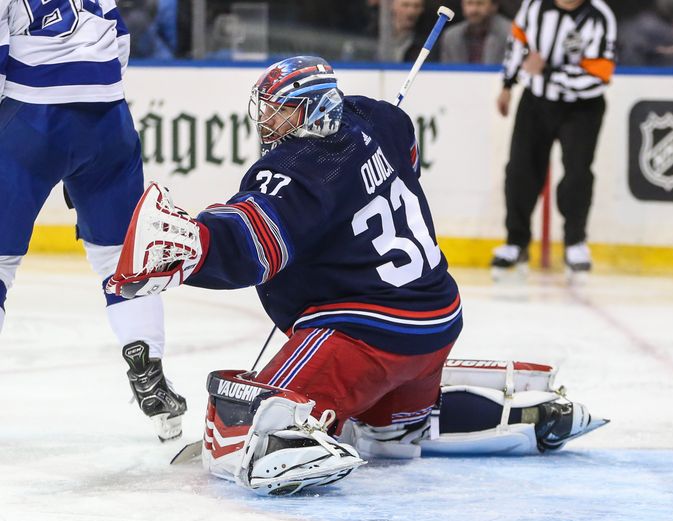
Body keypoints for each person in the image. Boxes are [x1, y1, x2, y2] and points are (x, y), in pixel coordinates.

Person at [106, 56, 606, 495]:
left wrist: (192, 247)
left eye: (280, 109)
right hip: (436, 327)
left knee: (246, 427)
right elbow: (403, 147)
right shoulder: (379, 117)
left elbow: (251, 242)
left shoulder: (298, 167)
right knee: (385, 441)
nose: (270, 122)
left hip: (363, 335)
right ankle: (468, 418)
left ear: (307, 110)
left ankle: (306, 437)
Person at [0, 0, 185, 440]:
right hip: (108, 119)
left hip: (31, 116)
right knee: (123, 258)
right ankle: (149, 371)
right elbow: (120, 40)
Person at [491, 0, 617, 277]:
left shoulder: (599, 16)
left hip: (582, 108)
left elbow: (599, 75)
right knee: (520, 171)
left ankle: (575, 242)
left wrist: (548, 71)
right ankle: (516, 242)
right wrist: (508, 85)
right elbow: (517, 43)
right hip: (536, 101)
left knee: (577, 174)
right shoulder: (534, 6)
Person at [441, 0, 512, 64]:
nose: (474, 10)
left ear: (494, 6)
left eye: (480, 3)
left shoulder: (510, 33)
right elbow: (446, 74)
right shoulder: (451, 36)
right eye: (469, 3)